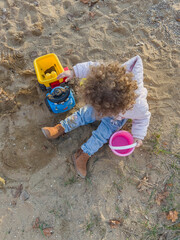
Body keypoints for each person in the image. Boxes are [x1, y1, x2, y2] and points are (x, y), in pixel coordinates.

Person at [42, 55, 151, 178]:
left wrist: (138, 136)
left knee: (103, 134)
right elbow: (92, 68)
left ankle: (83, 154)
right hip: (104, 103)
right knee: (83, 114)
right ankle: (61, 127)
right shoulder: (108, 75)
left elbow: (143, 118)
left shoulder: (138, 106)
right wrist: (74, 72)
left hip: (117, 117)